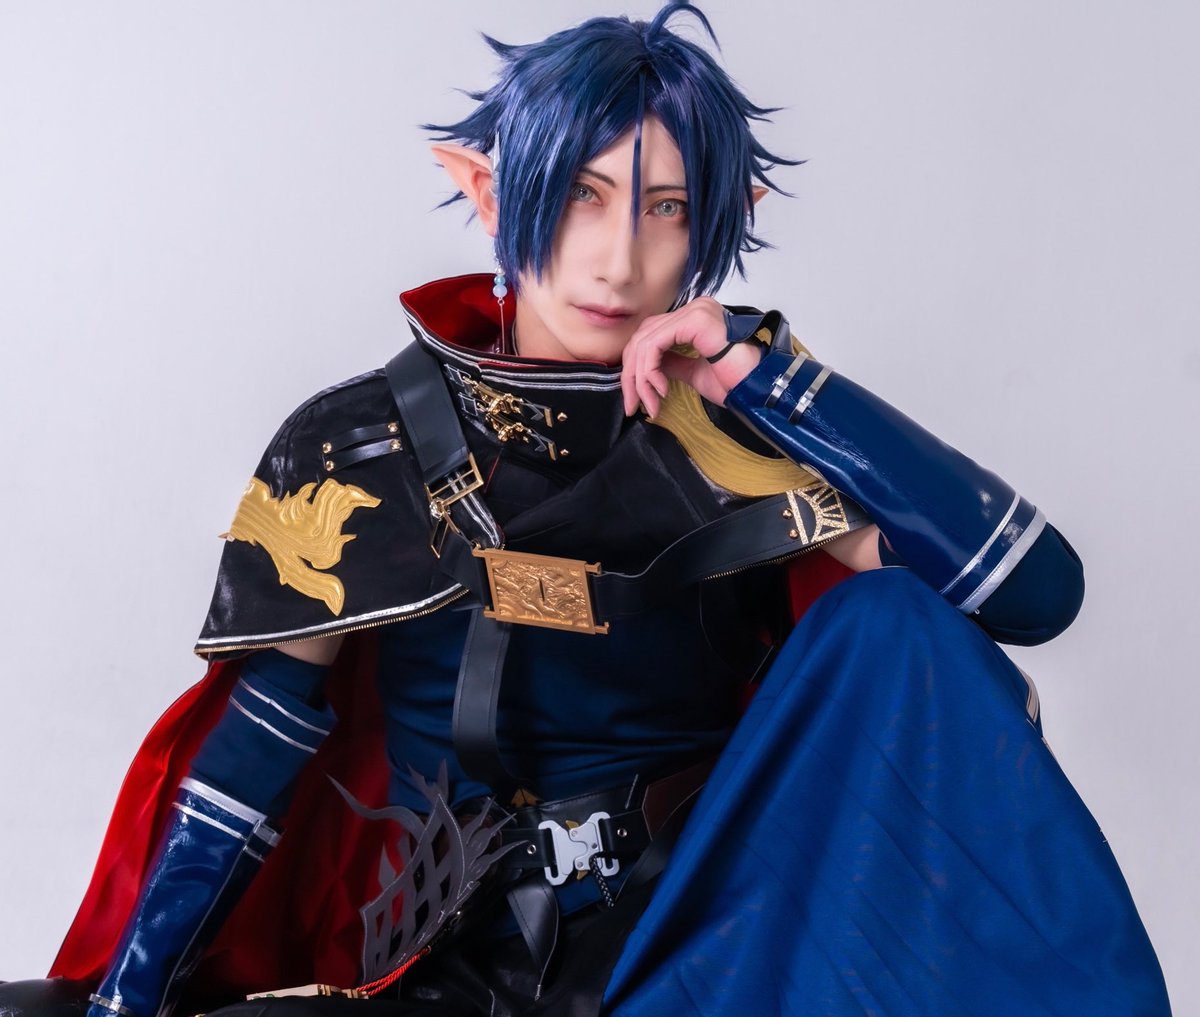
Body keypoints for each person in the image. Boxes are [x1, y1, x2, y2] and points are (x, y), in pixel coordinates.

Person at [0, 3, 1171, 1015]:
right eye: (580, 195)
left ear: (721, 215)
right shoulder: (358, 444)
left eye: (668, 208)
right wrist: (124, 1001)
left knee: (894, 620)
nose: (618, 260)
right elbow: (251, 750)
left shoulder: (750, 437)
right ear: (487, 188)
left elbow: (1035, 594)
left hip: (717, 944)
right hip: (455, 967)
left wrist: (771, 375)